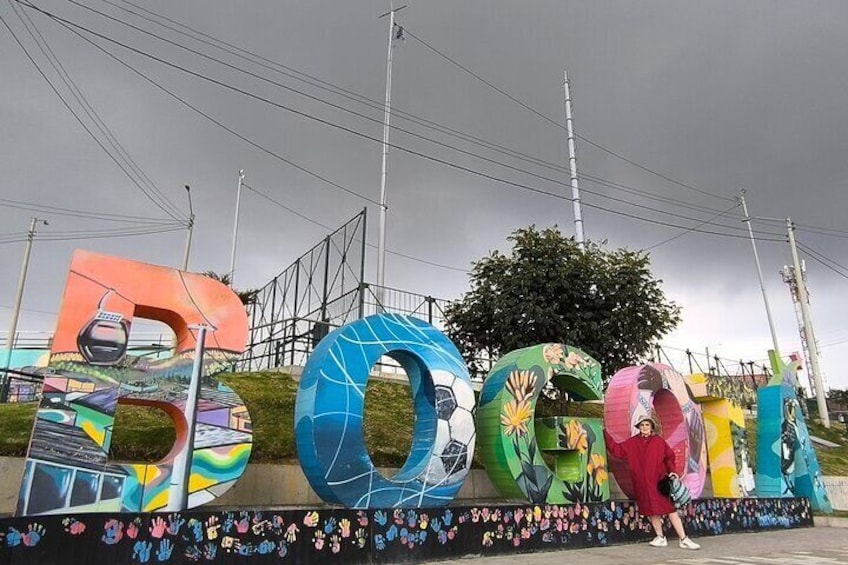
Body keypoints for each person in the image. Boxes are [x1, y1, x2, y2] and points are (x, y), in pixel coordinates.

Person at [604, 416, 700, 550]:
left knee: (671, 511)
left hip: (659, 483)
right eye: (642, 425)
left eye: (647, 425)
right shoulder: (632, 443)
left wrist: (672, 471)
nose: (644, 428)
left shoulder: (659, 442)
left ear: (651, 427)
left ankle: (684, 539)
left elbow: (670, 457)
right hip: (643, 485)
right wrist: (605, 433)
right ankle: (660, 537)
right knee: (651, 511)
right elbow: (616, 450)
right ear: (638, 427)